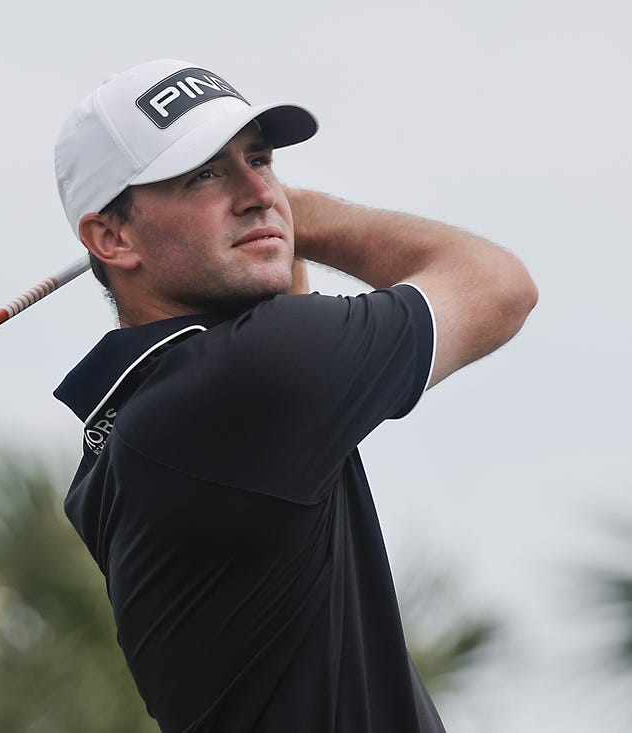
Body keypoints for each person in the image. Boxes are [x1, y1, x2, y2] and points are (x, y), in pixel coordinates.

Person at [51, 59, 537, 732]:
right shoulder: (250, 375)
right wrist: (299, 216)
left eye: (261, 160)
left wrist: (263, 226)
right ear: (111, 236)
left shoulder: (136, 420)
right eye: (205, 174)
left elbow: (287, 305)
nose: (258, 191)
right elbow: (499, 285)